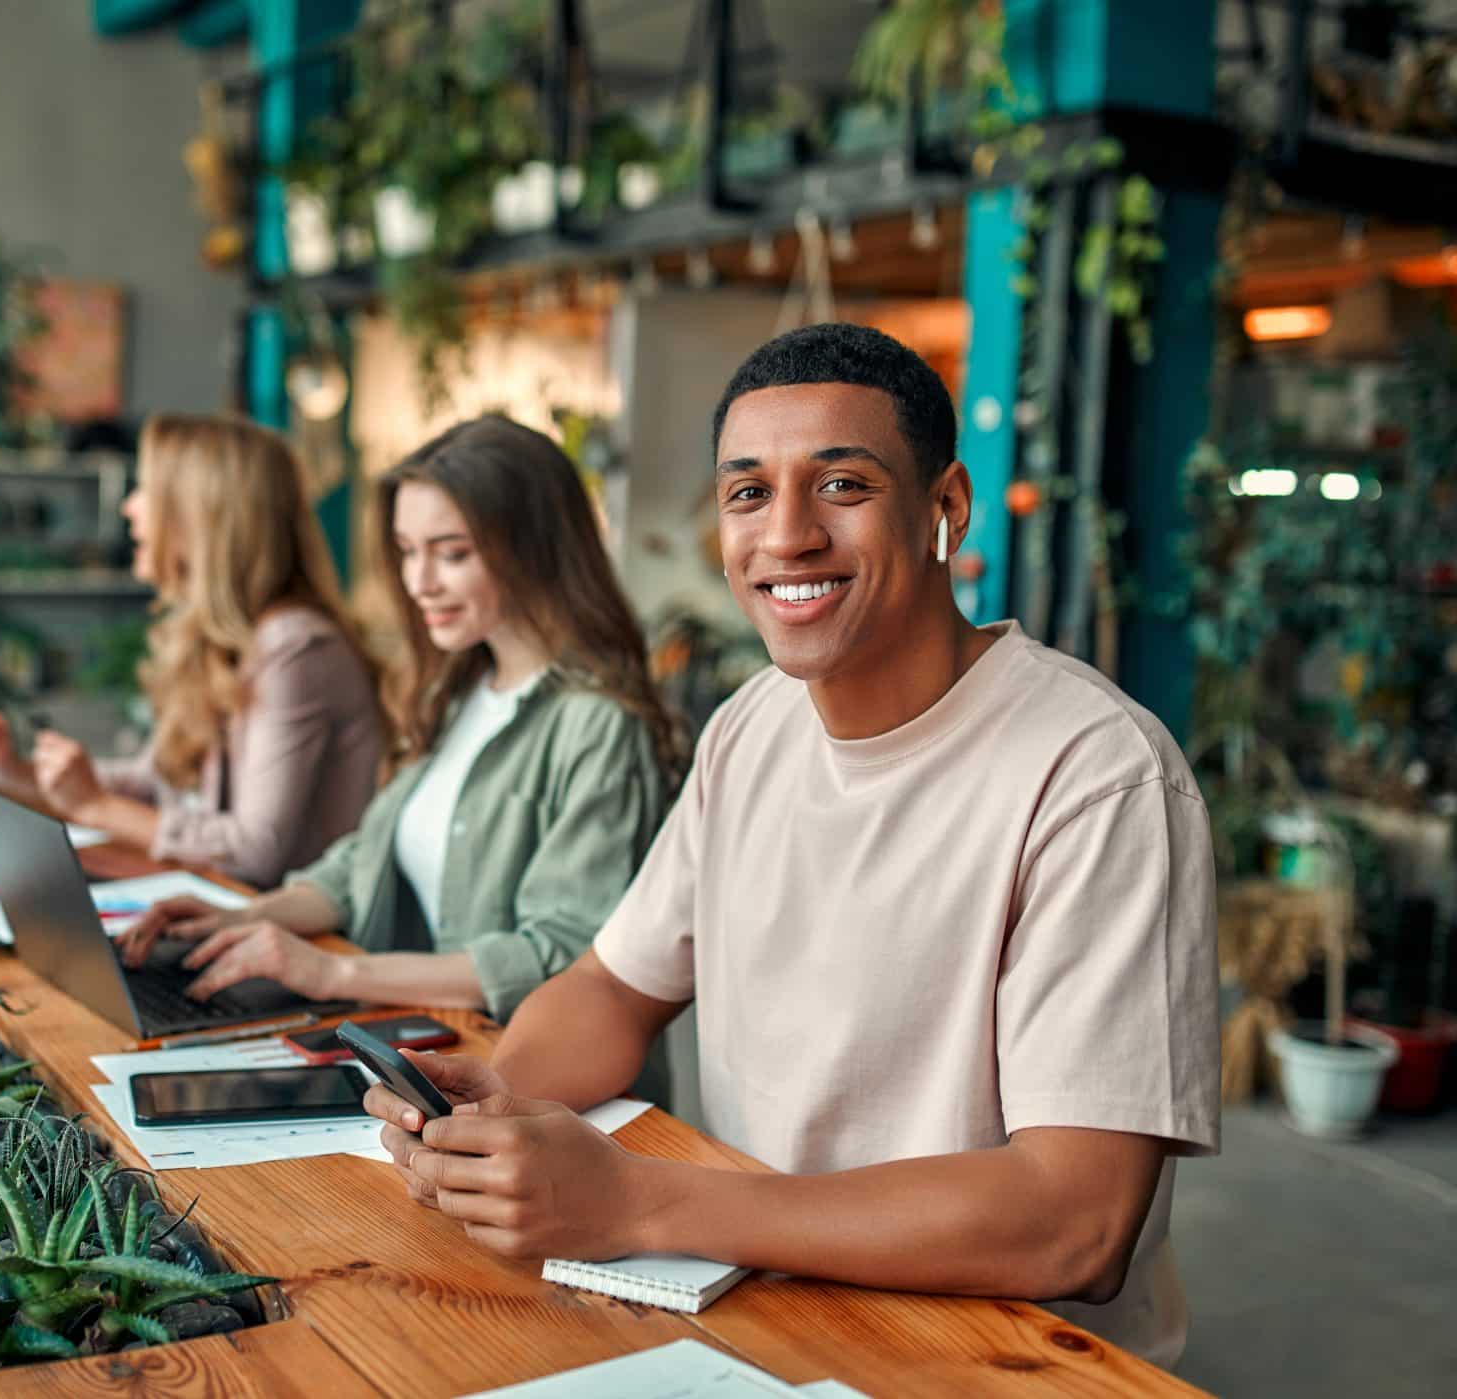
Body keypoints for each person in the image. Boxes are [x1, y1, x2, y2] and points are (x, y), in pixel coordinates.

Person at [363, 325, 1220, 1370]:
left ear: (943, 508)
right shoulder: (751, 724)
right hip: (749, 1306)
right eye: (746, 493)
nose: (787, 535)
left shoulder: (1098, 775)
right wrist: (504, 1100)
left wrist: (640, 1199)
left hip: (990, 1355)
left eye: (842, 485)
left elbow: (1072, 1220)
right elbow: (611, 985)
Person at [116, 415, 683, 1049]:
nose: (419, 583)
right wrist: (240, 917)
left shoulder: (598, 725)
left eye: (452, 553)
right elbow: (361, 862)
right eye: (409, 552)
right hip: (448, 1047)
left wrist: (333, 972)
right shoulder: (459, 690)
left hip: (539, 1084)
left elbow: (561, 954)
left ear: (535, 547)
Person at [0, 414, 384, 888]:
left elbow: (254, 850)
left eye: (146, 491)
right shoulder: (221, 638)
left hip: (298, 941)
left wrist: (95, 805)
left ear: (202, 517)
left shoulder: (297, 649)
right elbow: (155, 784)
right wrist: (18, 774)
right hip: (227, 913)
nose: (130, 508)